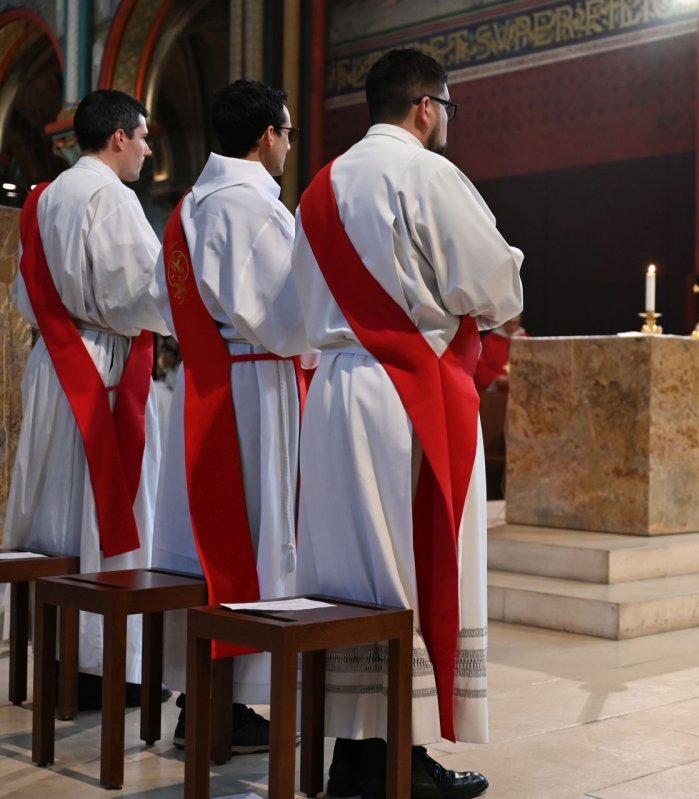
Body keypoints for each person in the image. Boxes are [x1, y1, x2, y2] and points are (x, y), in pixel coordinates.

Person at [292, 49, 523, 799]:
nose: (447, 122)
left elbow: (298, 307)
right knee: (412, 568)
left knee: (347, 574)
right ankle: (398, 756)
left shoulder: (320, 188)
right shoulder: (426, 173)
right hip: (406, 394)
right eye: (448, 109)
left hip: (332, 394)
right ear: (426, 106)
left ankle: (352, 754)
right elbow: (492, 279)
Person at [149, 79, 314, 750]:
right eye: (289, 132)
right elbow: (289, 317)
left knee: (207, 545)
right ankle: (235, 704)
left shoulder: (188, 208)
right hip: (257, 388)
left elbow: (165, 301)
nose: (289, 145)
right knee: (258, 533)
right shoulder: (256, 210)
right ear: (267, 135)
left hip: (206, 386)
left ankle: (202, 698)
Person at [5, 89, 168, 706]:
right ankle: (103, 667)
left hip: (55, 368)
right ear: (118, 137)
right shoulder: (112, 199)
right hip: (101, 370)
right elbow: (138, 294)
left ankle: (50, 655)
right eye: (144, 136)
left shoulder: (45, 198)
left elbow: (25, 296)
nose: (149, 148)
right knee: (103, 513)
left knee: (55, 509)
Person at [474, 312, 525, 392]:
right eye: (509, 323)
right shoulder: (490, 340)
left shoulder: (526, 341)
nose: (512, 326)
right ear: (503, 321)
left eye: (515, 323)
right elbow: (480, 366)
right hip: (495, 394)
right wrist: (495, 378)